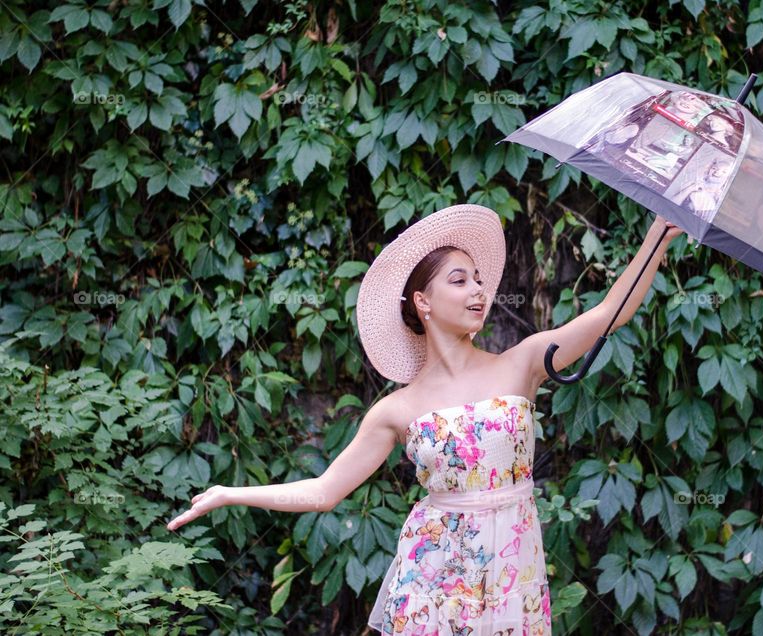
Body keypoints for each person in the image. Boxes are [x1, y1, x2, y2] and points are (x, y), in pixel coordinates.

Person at [166, 203, 684, 634]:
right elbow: (324, 492)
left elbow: (612, 312)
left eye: (480, 279)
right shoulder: (397, 409)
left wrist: (657, 236)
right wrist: (230, 494)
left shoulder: (522, 362)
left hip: (513, 571)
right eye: (460, 280)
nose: (479, 290)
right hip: (436, 579)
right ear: (423, 301)